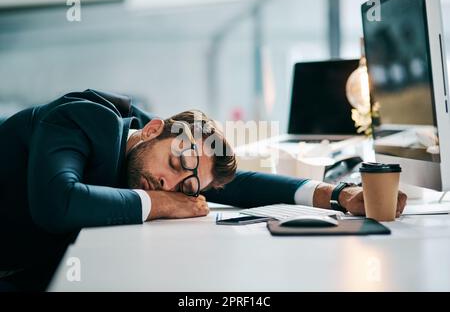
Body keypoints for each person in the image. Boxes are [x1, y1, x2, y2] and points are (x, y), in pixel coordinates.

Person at [0, 89, 407, 274]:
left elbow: (238, 183)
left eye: (185, 187)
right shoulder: (84, 118)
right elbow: (57, 203)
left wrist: (335, 194)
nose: (169, 182)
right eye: (178, 162)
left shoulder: (150, 137)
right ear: (154, 128)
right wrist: (160, 204)